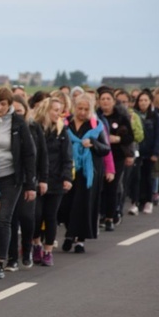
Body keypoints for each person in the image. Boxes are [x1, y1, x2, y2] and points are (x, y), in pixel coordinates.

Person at [0, 87, 37, 279]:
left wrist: (30, 184)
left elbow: (29, 153)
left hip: (10, 177)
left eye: (3, 104)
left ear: (9, 105)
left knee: (3, 219)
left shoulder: (18, 123)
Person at [58, 93, 111, 254]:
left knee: (83, 205)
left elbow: (106, 148)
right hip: (69, 169)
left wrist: (93, 143)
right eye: (79, 108)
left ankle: (79, 239)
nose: (82, 112)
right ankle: (69, 233)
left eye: (86, 109)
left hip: (89, 172)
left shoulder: (96, 126)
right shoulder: (66, 125)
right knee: (66, 204)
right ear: (74, 108)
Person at [30, 98, 73, 266]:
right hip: (38, 179)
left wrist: (67, 177)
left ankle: (48, 250)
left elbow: (67, 156)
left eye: (60, 110)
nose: (58, 114)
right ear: (46, 110)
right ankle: (36, 244)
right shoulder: (34, 128)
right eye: (55, 110)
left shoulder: (62, 131)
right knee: (35, 215)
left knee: (50, 216)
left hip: (56, 180)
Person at [7, 95, 47, 270]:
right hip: (11, 179)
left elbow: (42, 155)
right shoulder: (5, 129)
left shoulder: (33, 127)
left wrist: (42, 179)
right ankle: (12, 258)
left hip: (28, 178)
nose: (16, 115)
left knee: (27, 217)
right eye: (13, 111)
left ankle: (28, 247)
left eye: (19, 111)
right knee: (11, 219)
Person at [97, 88, 135, 231]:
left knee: (112, 186)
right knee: (100, 187)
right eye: (102, 99)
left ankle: (109, 217)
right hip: (100, 155)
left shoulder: (121, 117)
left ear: (113, 101)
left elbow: (130, 137)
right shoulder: (96, 118)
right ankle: (100, 214)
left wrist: (118, 138)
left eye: (108, 99)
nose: (105, 101)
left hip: (117, 155)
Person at [131, 90, 159, 214]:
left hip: (149, 152)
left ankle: (148, 201)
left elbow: (158, 135)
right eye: (141, 100)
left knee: (147, 177)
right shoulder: (133, 115)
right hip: (136, 151)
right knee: (135, 177)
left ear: (150, 102)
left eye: (146, 100)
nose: (143, 103)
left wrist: (155, 152)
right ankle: (135, 202)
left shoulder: (155, 116)